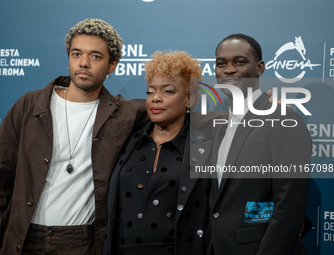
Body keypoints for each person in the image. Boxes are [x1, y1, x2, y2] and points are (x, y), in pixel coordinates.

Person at [0, 19, 147, 255]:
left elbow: (170, 103)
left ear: (112, 66)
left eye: (96, 56)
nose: (84, 63)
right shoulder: (30, 105)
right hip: (24, 236)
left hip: (82, 241)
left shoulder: (124, 114)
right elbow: (3, 171)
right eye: (76, 54)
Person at [204, 34, 312, 255]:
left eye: (240, 62)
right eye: (221, 64)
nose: (229, 70)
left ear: (260, 68)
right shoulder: (221, 128)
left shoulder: (283, 119)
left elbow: (289, 207)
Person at [103, 51, 212, 255]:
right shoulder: (127, 140)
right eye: (150, 91)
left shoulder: (206, 150)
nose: (156, 98)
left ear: (189, 100)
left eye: (168, 91)